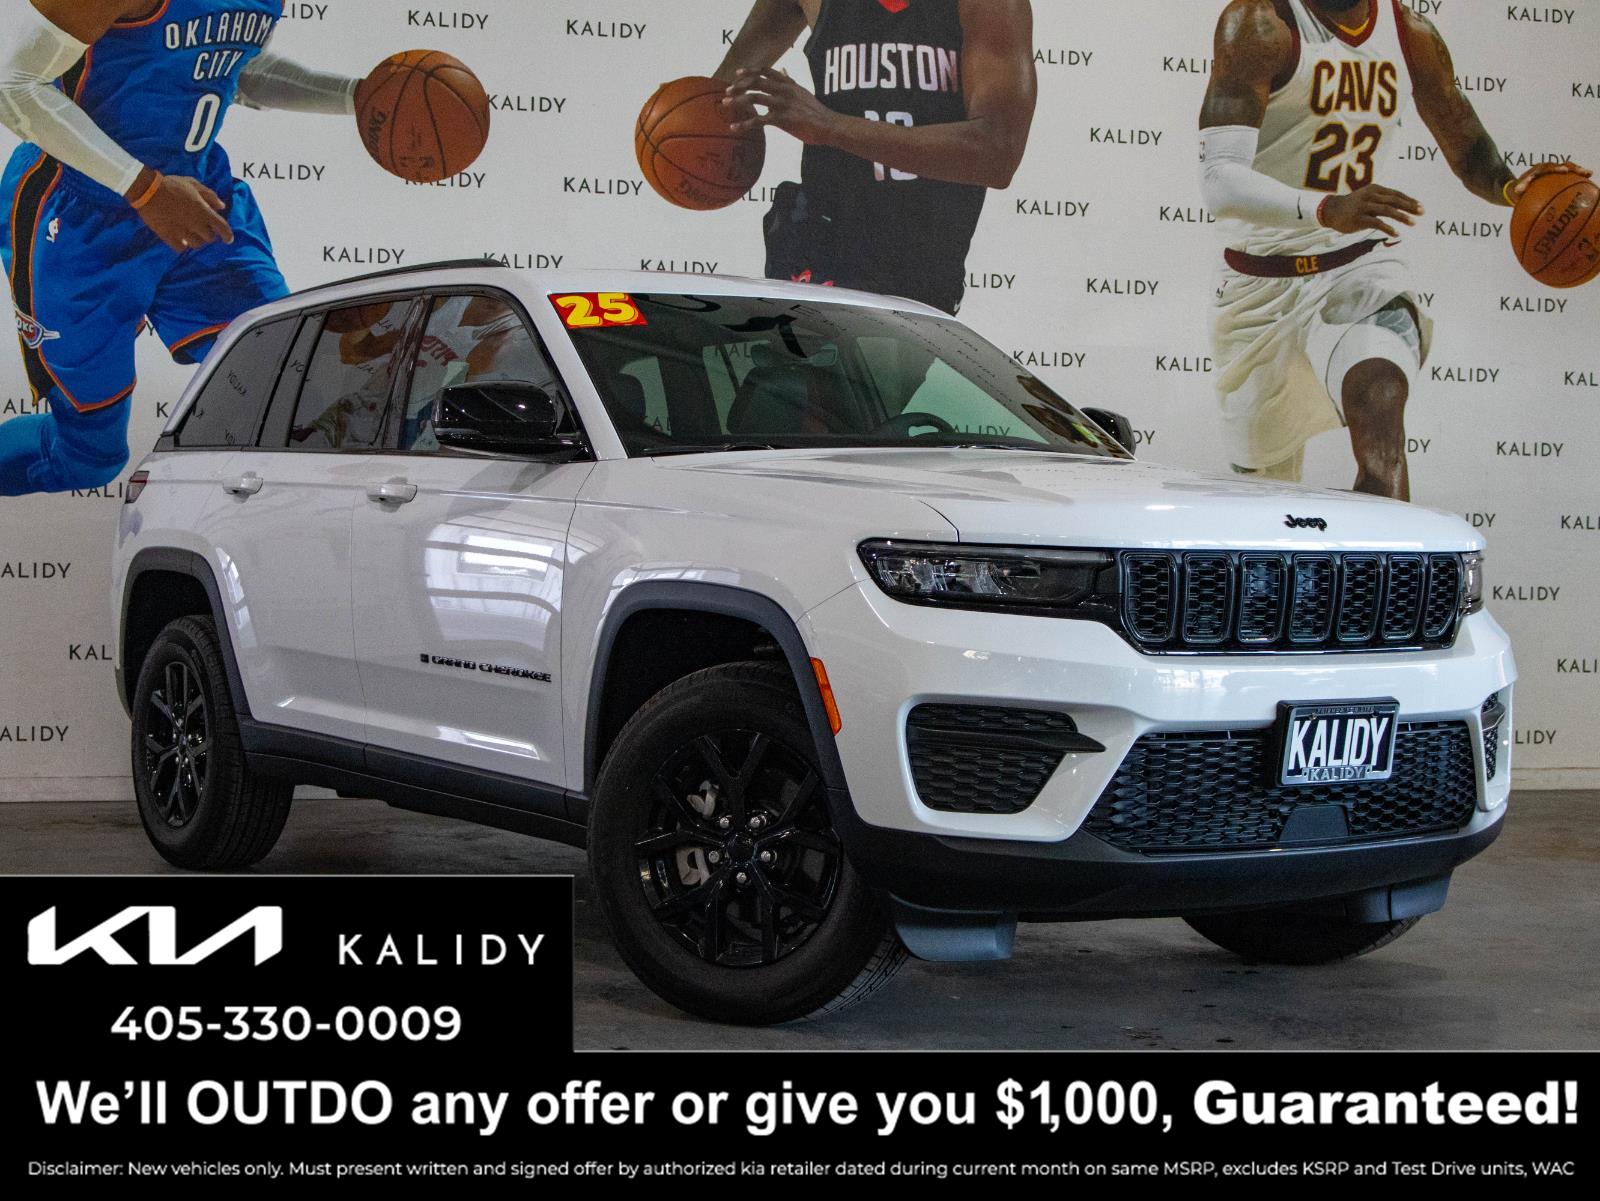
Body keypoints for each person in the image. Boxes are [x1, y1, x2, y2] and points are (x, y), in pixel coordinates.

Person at [1197, 0, 1587, 498]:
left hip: (1357, 267)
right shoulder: (1260, 24)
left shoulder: (1410, 33)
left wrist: (1515, 190)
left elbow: (1469, 149)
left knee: (1381, 416)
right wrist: (1326, 208)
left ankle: (1387, 550)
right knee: (1262, 495)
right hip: (1257, 286)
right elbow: (1220, 179)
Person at [0, 0, 365, 495]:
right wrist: (143, 189)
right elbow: (14, 87)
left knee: (293, 380)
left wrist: (355, 96)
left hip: (197, 196)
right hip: (79, 212)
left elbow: (234, 68)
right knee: (88, 457)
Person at [717, 0, 1036, 316]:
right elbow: (716, 98)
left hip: (923, 261)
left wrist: (831, 126)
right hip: (822, 244)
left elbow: (997, 153)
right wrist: (698, 137)